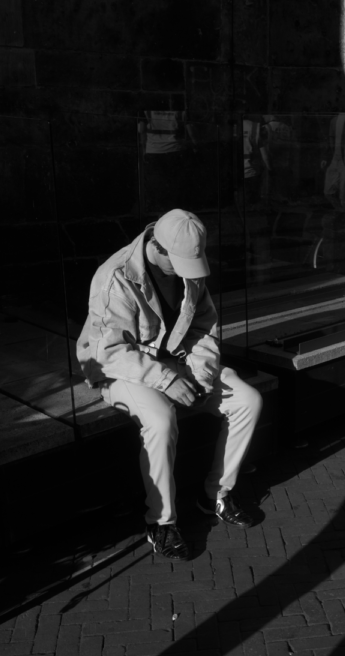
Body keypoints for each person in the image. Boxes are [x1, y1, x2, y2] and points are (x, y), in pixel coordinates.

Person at [77, 210, 263, 559]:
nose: (184, 272)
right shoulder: (113, 277)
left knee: (248, 400)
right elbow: (110, 353)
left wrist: (202, 375)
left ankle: (216, 495)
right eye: (178, 263)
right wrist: (167, 378)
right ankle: (161, 522)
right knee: (161, 421)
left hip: (177, 361)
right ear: (156, 247)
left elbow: (203, 328)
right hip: (123, 369)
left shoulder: (187, 268)